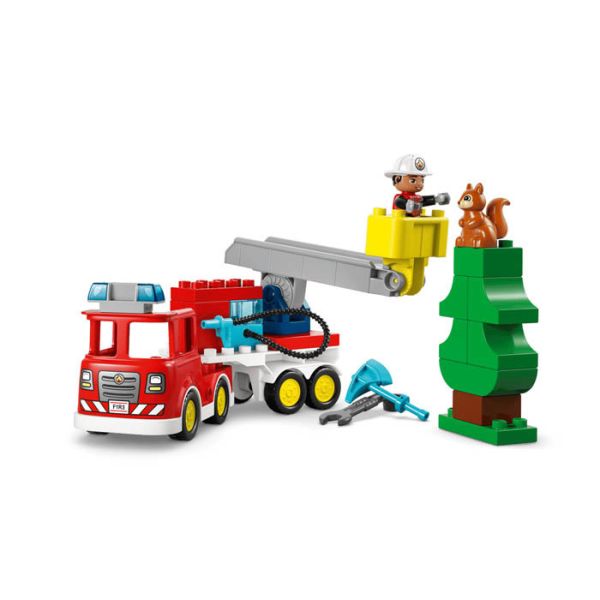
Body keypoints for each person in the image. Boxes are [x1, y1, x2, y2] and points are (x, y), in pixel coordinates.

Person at [384, 154, 450, 216]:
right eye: (413, 181)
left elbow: (424, 201)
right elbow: (399, 202)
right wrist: (408, 205)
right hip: (401, 220)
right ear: (397, 179)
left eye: (422, 180)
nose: (420, 184)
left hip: (415, 221)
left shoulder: (417, 198)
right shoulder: (399, 198)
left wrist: (436, 199)